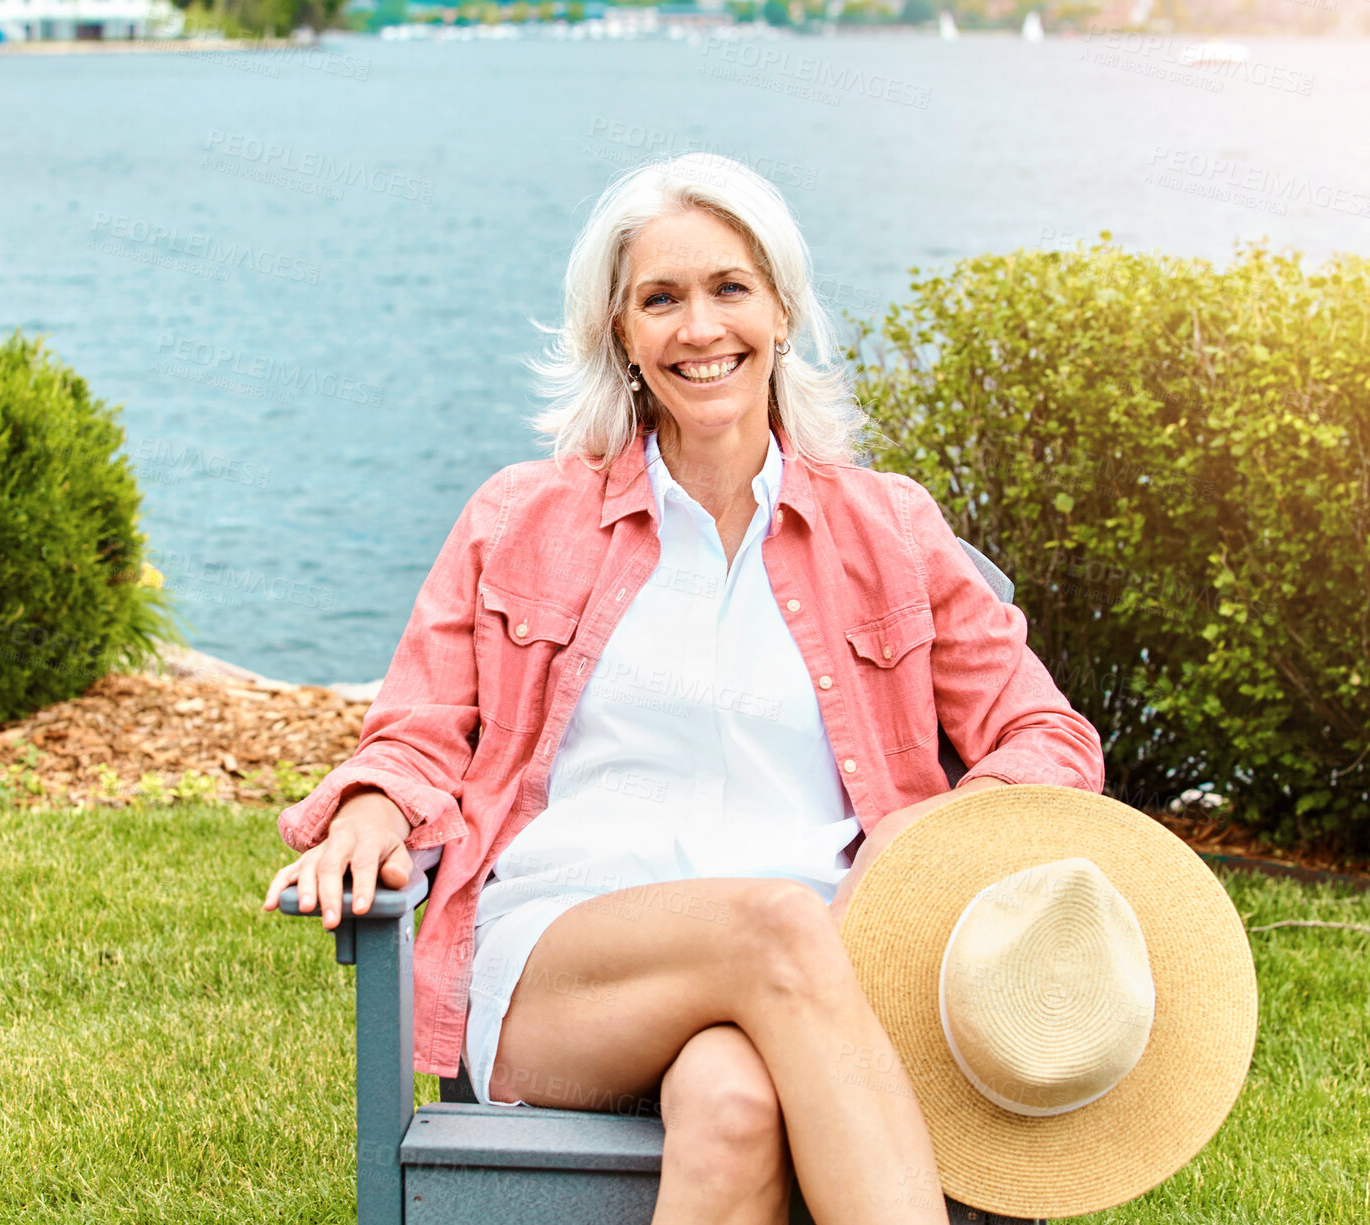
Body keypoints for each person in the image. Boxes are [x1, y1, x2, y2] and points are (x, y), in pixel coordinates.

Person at [264, 152, 1104, 1225]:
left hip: (822, 970)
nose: (698, 328)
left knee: (733, 1096)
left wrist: (928, 835)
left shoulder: (884, 527)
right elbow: (421, 727)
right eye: (659, 299)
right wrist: (375, 804)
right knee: (770, 924)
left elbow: (1045, 737)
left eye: (728, 289)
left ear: (782, 310)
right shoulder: (519, 518)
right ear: (619, 333)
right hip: (570, 969)